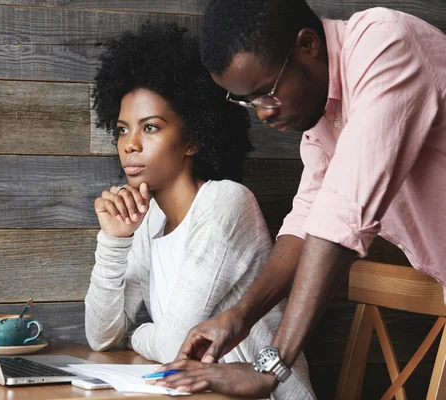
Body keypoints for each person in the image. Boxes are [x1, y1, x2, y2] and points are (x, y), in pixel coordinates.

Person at [152, 0, 446, 397]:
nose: (263, 114)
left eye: (266, 93)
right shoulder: (325, 111)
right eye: (248, 101)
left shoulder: (386, 46)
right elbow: (308, 217)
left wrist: (270, 365)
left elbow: (344, 214)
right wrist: (239, 316)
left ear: (307, 45)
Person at [84, 22, 316, 399]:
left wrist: (136, 334)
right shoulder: (149, 220)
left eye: (151, 128)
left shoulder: (226, 203)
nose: (130, 145)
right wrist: (114, 239)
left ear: (192, 139)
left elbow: (178, 343)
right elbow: (101, 336)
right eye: (123, 130)